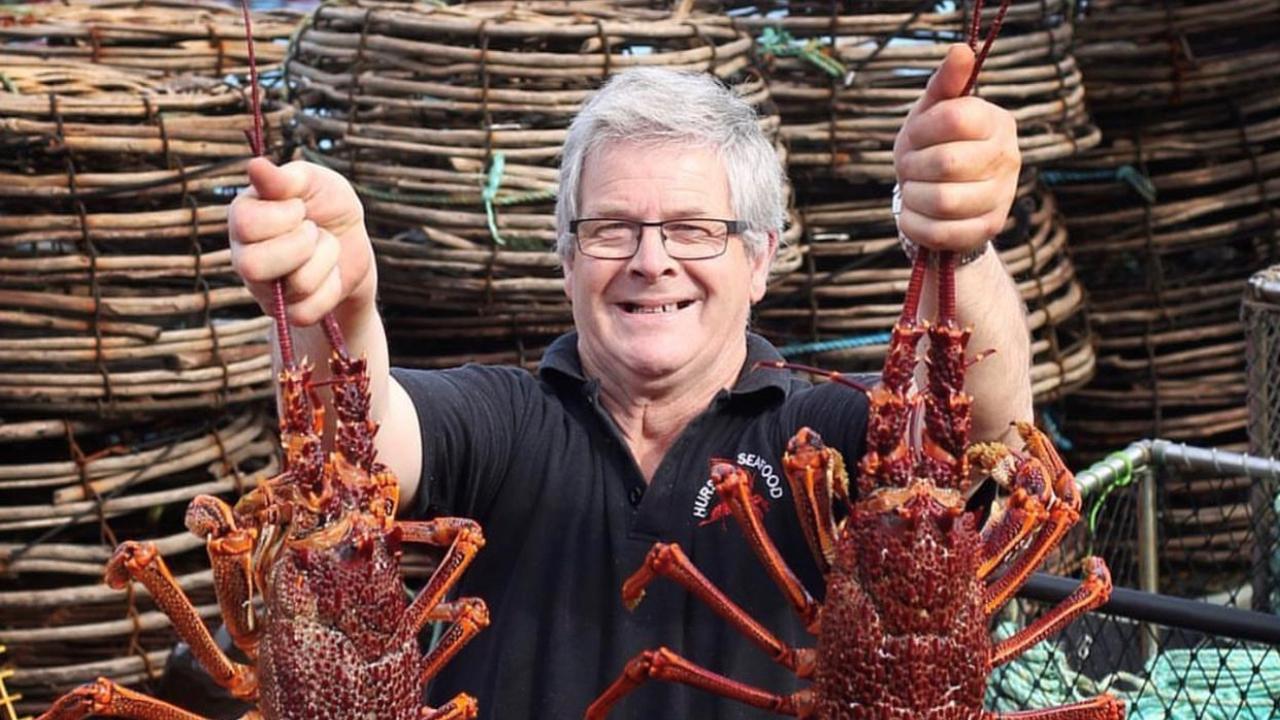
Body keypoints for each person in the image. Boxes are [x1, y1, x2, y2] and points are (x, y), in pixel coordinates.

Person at [222, 44, 1028, 719]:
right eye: (611, 228)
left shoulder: (819, 439)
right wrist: (343, 299)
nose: (651, 261)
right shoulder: (507, 423)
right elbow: (357, 456)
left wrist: (959, 243)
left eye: (692, 229)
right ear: (566, 257)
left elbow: (981, 437)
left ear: (760, 259)